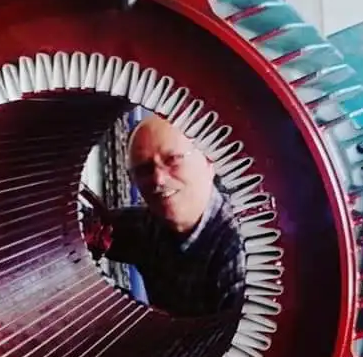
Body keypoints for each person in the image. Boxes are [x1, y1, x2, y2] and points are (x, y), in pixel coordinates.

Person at [84, 115, 246, 317]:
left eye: (173, 160)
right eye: (143, 170)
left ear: (209, 159)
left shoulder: (239, 252)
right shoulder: (148, 227)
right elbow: (80, 230)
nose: (158, 179)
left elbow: (243, 333)